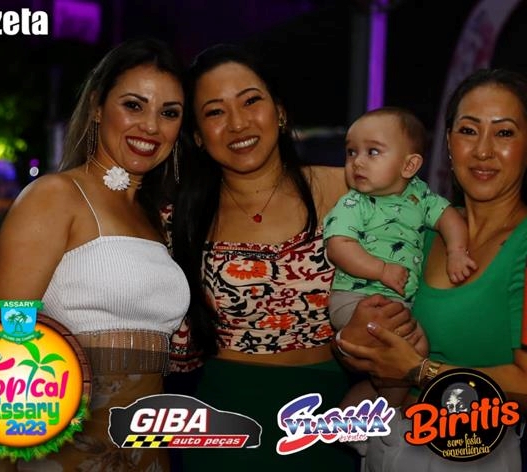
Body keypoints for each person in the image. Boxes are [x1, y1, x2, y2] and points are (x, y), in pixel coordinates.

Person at [166, 44, 413, 470]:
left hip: (329, 420)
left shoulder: (350, 194)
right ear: (198, 136)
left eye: (251, 101)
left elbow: (420, 269)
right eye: (215, 112)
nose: (238, 123)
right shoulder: (180, 221)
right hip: (223, 427)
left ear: (279, 112)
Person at [337, 68, 527, 471]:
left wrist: (418, 370)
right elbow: (371, 349)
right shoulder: (422, 230)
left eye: (503, 133)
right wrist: (355, 339)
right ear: (448, 143)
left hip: (471, 454)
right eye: (468, 131)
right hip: (388, 449)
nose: (482, 150)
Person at [0, 38, 189, 471]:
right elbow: (7, 333)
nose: (151, 126)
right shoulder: (55, 196)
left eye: (169, 113)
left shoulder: (154, 218)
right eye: (134, 105)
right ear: (96, 107)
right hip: (63, 456)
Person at [325, 106, 476, 407]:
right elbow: (339, 246)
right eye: (351, 152)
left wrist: (457, 252)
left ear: (409, 165)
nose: (357, 162)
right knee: (399, 349)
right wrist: (381, 270)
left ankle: (377, 408)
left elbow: (449, 218)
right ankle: (381, 411)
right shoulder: (354, 203)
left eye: (372, 152)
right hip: (356, 299)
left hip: (397, 304)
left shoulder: (420, 196)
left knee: (416, 349)